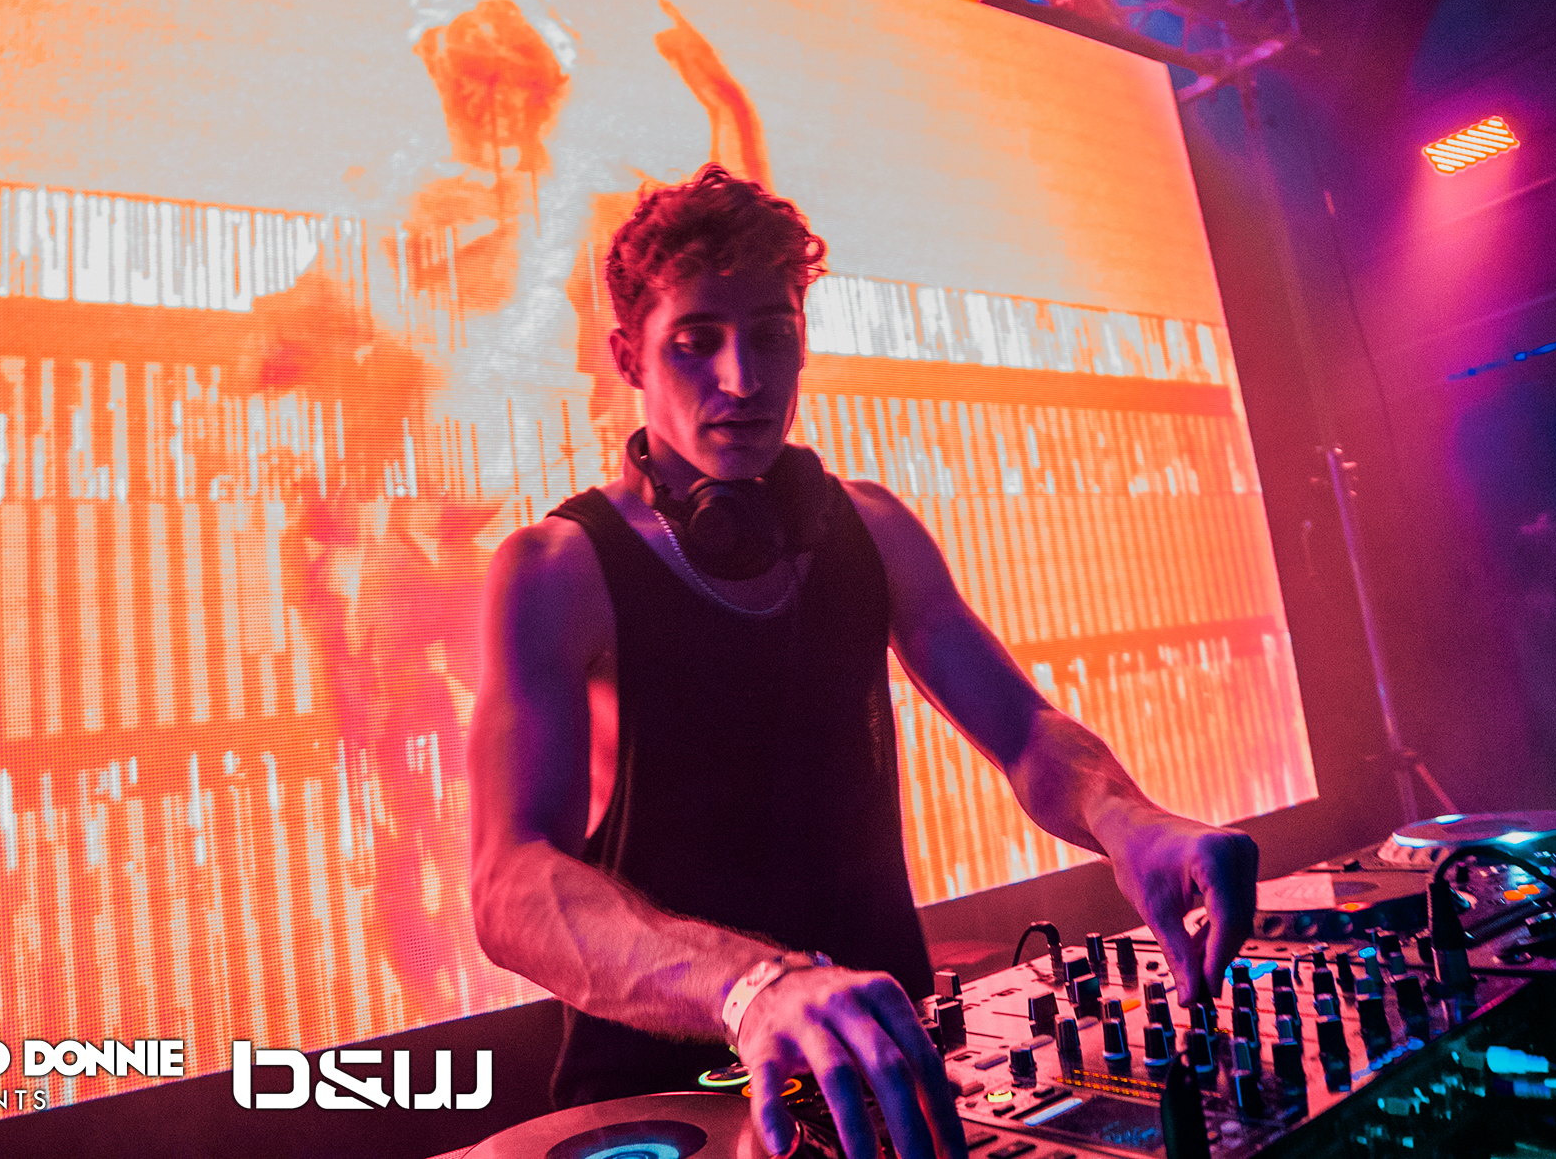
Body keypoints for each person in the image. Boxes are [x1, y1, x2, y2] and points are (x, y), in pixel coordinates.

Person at [469, 166, 1258, 1159]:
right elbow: (508, 884)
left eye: (771, 335)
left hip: (884, 1076)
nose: (742, 380)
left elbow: (1024, 733)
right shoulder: (557, 568)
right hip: (668, 1108)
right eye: (695, 341)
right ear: (628, 354)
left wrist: (1125, 817)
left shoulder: (872, 529)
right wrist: (753, 988)